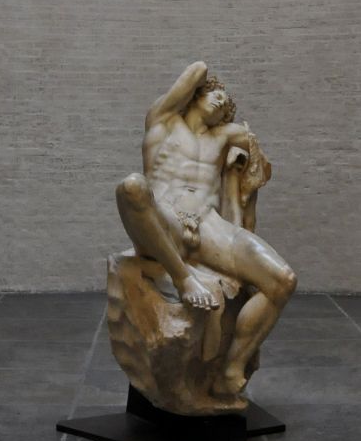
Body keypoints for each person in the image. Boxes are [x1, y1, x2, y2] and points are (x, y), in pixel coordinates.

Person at [116, 60, 296, 398]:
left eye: (227, 104)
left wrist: (240, 160)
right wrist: (210, 82)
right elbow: (197, 69)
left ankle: (231, 368)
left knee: (283, 281)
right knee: (131, 188)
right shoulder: (162, 121)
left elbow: (252, 145)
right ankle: (184, 277)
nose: (223, 103)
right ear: (195, 95)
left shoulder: (224, 136)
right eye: (216, 95)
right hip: (164, 219)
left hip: (210, 226)